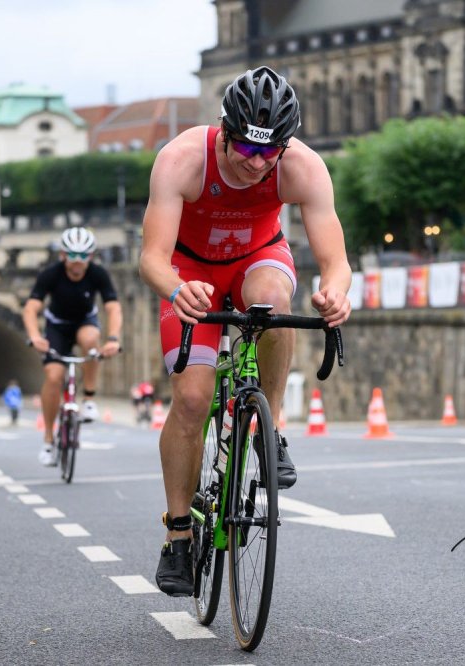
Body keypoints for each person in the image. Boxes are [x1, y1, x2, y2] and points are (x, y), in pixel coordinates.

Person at [139, 65, 352, 596]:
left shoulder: (302, 166)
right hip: (189, 268)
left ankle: (268, 429)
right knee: (192, 400)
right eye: (247, 148)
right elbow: (152, 259)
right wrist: (175, 289)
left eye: (269, 151)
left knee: (274, 302)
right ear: (224, 132)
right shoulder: (182, 159)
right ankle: (178, 534)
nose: (257, 163)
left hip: (258, 258)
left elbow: (336, 263)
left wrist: (334, 293)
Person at [23, 227, 123, 466]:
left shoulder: (98, 274)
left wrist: (113, 338)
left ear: (91, 256)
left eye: (84, 256)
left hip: (85, 322)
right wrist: (35, 336)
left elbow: (113, 308)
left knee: (90, 341)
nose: (78, 262)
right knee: (53, 376)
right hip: (57, 327)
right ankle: (49, 440)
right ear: (62, 255)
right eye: (72, 255)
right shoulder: (51, 274)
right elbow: (31, 308)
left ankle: (88, 398)